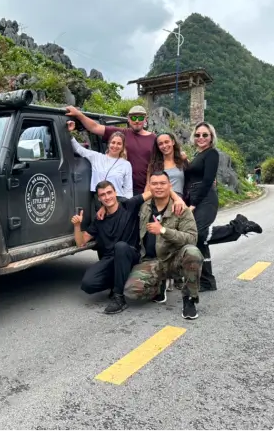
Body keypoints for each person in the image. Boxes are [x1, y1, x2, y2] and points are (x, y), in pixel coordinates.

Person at [185, 122, 262, 292]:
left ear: (211, 137)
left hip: (205, 198)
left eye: (205, 135)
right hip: (196, 196)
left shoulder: (211, 153)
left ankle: (237, 227)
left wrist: (193, 204)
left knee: (197, 234)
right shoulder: (198, 154)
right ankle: (207, 281)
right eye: (198, 135)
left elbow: (206, 182)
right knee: (200, 238)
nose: (201, 138)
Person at [123, 171, 203, 320]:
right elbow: (121, 205)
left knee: (193, 252)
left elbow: (192, 238)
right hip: (151, 261)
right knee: (132, 291)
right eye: (154, 184)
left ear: (169, 186)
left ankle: (190, 299)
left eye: (162, 183)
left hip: (173, 260)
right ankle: (159, 286)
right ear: (149, 186)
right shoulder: (144, 207)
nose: (158, 187)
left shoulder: (181, 209)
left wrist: (163, 231)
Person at [71, 180, 157, 315]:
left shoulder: (129, 205)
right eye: (103, 195)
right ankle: (118, 282)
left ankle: (119, 297)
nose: (107, 197)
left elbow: (154, 191)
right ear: (99, 198)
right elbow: (80, 242)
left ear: (115, 193)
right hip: (110, 259)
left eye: (109, 192)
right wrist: (77, 226)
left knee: (121, 247)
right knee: (88, 283)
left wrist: (177, 200)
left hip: (130, 255)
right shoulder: (99, 219)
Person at [66, 104, 156, 195]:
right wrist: (78, 114)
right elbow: (95, 127)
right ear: (128, 119)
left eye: (140, 118)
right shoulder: (121, 133)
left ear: (145, 119)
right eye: (133, 118)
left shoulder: (153, 139)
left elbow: (156, 164)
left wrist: (150, 185)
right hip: (119, 189)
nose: (137, 121)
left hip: (145, 189)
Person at [67, 120, 133, 199]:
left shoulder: (126, 164)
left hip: (117, 200)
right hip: (99, 198)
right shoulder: (96, 157)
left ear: (122, 147)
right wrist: (69, 133)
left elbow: (128, 189)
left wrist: (127, 205)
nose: (115, 146)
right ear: (108, 144)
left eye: (119, 144)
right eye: (113, 142)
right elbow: (78, 149)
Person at [146, 131, 188, 197]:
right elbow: (148, 186)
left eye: (166, 142)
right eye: (160, 144)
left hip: (178, 202)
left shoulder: (182, 161)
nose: (164, 146)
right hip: (158, 200)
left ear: (173, 142)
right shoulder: (153, 165)